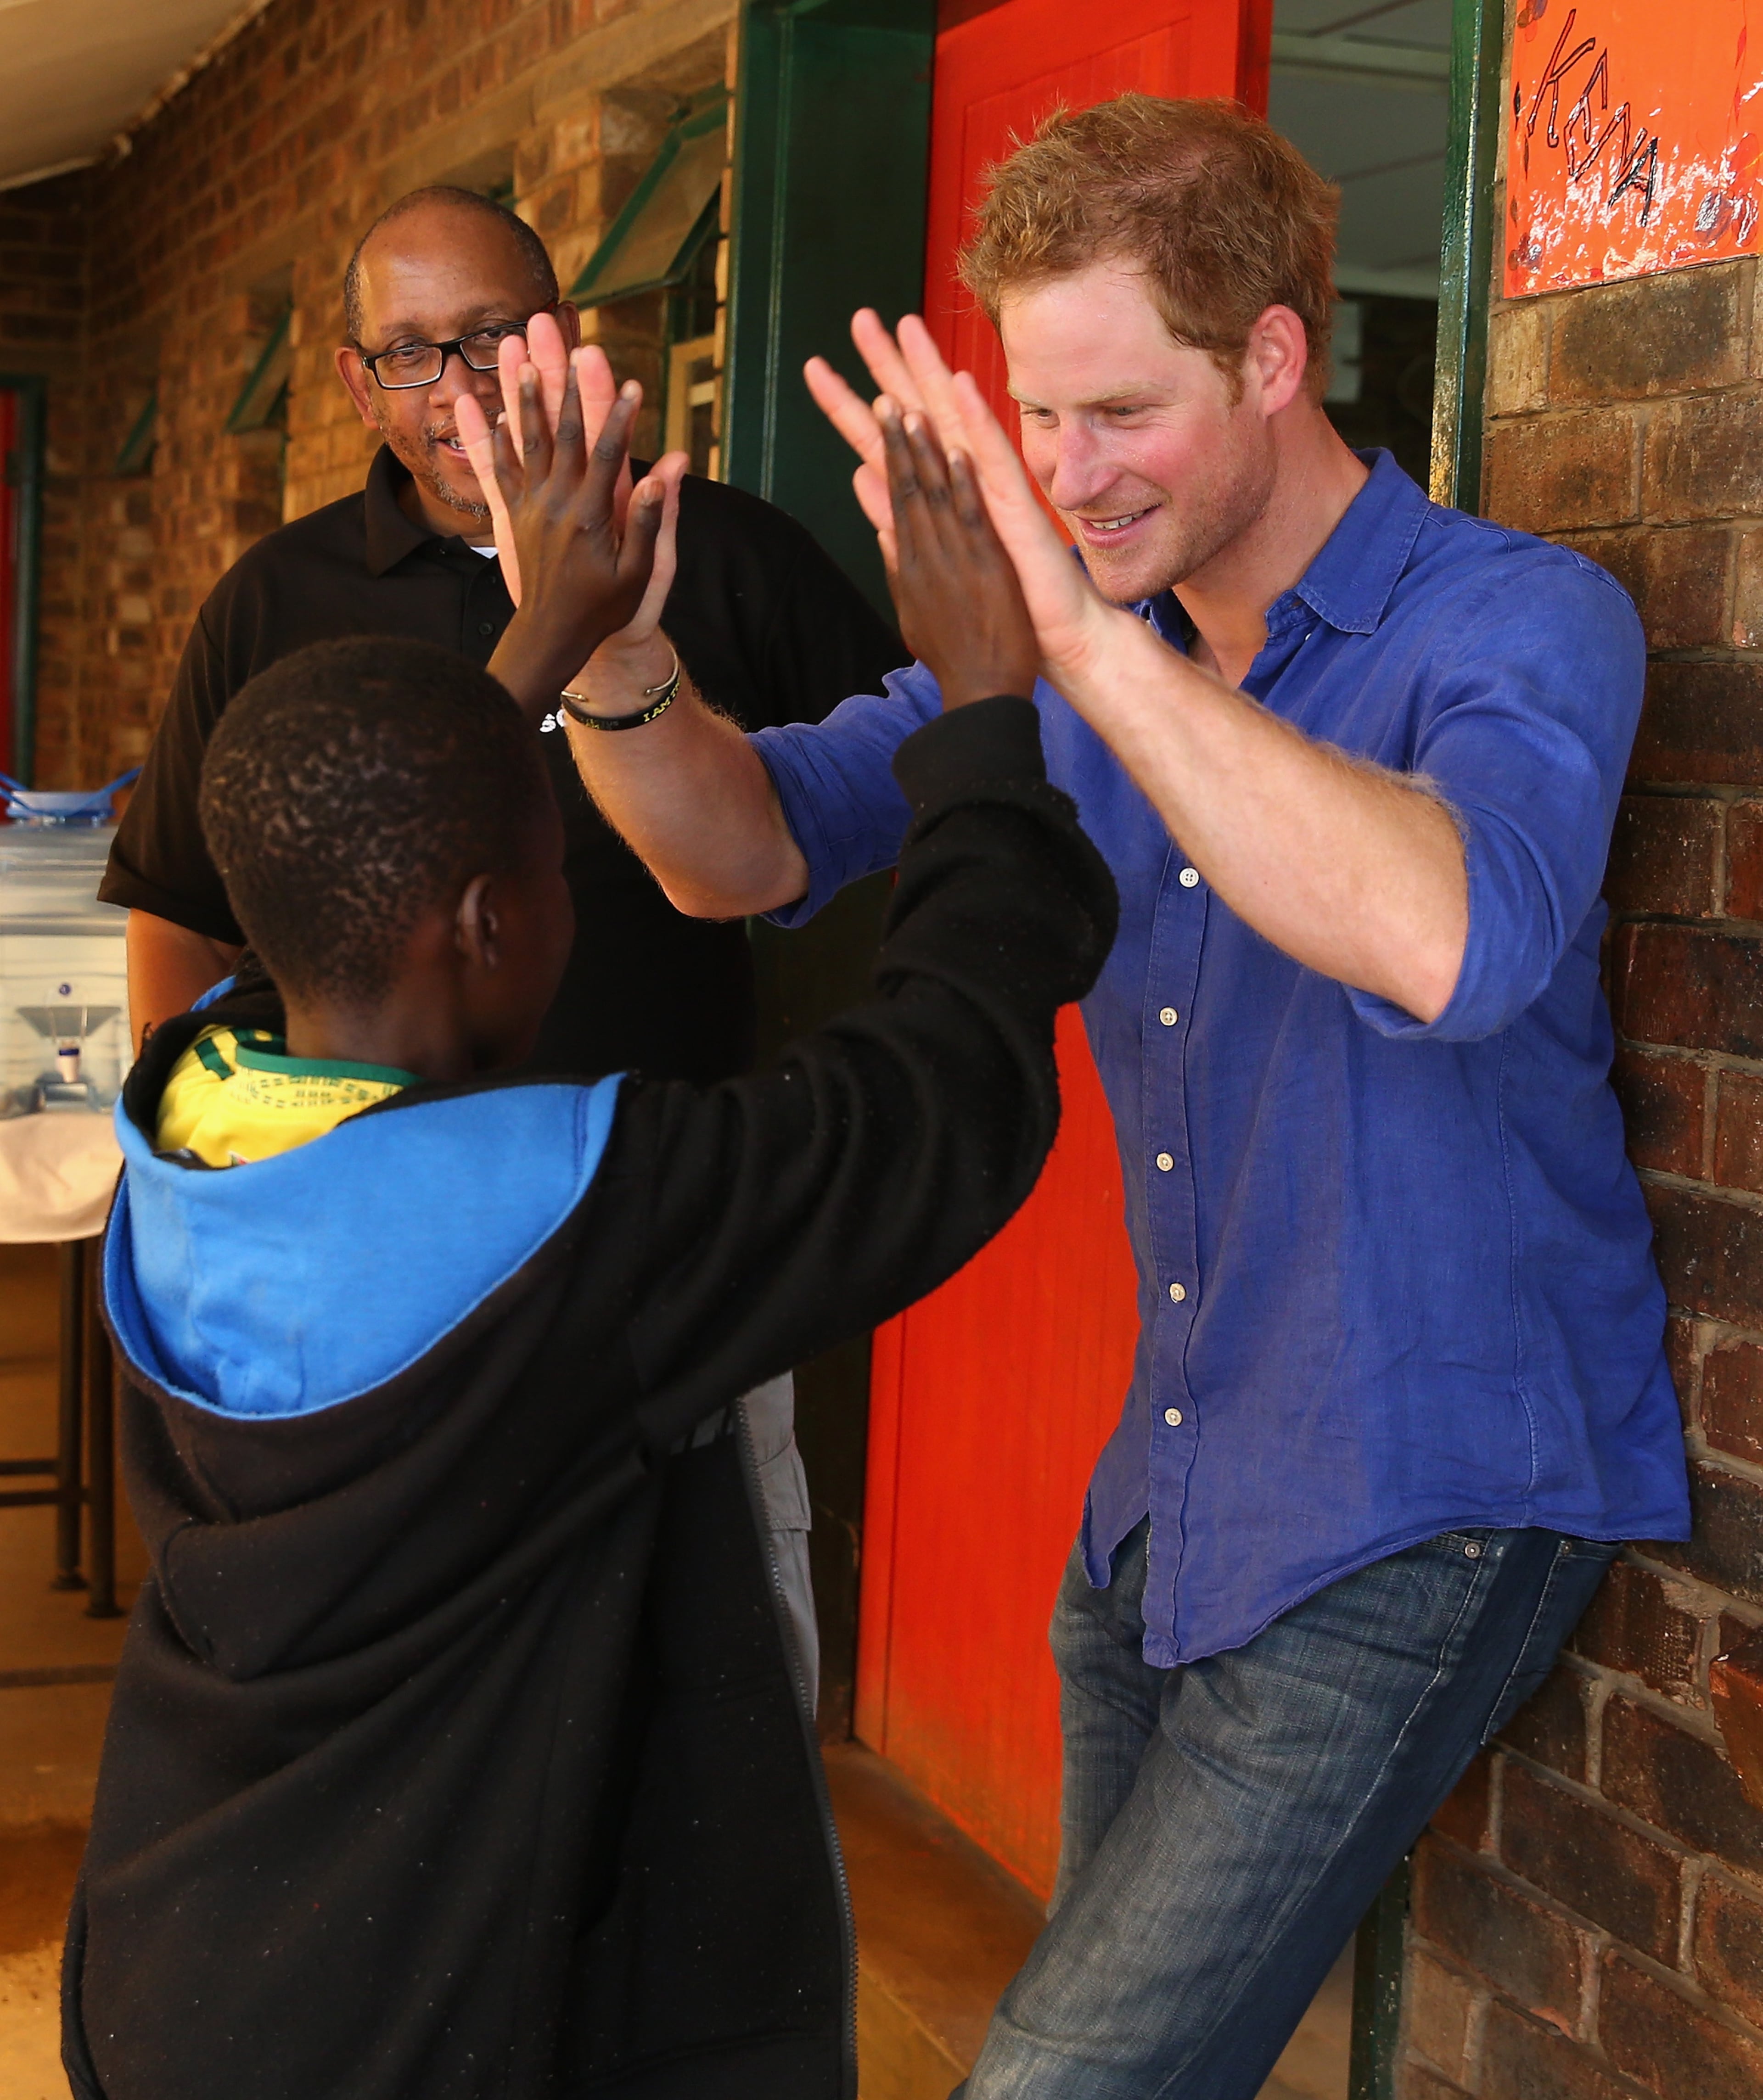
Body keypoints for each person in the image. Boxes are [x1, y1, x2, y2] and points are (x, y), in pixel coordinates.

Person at [545, 95, 1693, 2096]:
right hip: (1170, 1501)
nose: (1066, 478)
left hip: (1428, 1486)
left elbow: (1455, 937)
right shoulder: (1103, 643)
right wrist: (616, 659)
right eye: (1037, 422)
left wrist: (1072, 641)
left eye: (1119, 414)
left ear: (1270, 357)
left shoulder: (1515, 617)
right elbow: (734, 853)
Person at [65, 368, 1117, 2100]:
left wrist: (549, 638)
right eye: (563, 865)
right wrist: (986, 717)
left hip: (193, 1970)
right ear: (488, 923)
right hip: (464, 2014)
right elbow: (936, 1105)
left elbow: (359, 863)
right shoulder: (586, 1221)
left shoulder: (199, 1111)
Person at [101, 182, 904, 1701]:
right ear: (355, 380)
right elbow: (179, 905)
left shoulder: (722, 560)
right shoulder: (275, 602)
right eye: (409, 355)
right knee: (437, 1703)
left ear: (563, 334)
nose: (458, 394)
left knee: (719, 1679)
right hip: (371, 1276)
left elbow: (916, 793)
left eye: (491, 339)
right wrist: (209, 1169)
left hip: (669, 1236)